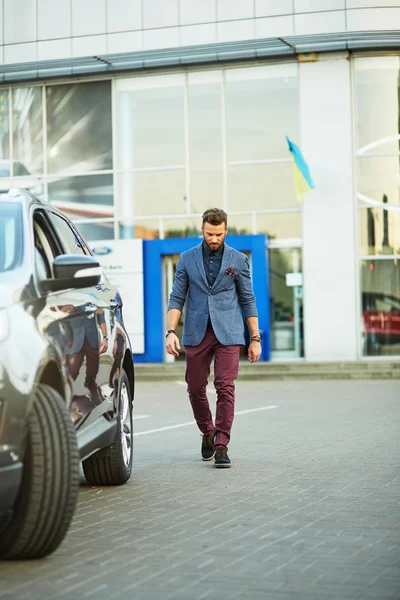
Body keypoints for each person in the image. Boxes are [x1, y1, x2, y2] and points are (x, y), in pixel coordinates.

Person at [166, 208, 262, 468]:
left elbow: (247, 299)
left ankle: (221, 445)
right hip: (197, 332)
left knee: (225, 386)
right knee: (195, 387)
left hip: (229, 333)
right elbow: (177, 297)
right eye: (210, 234)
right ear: (202, 229)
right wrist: (170, 331)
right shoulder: (186, 259)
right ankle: (207, 431)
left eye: (219, 234)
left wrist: (255, 338)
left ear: (226, 231)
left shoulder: (239, 260)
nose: (214, 239)